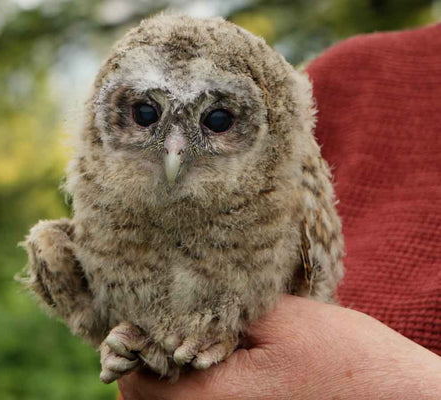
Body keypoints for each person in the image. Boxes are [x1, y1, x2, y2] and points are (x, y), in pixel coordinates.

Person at [118, 22, 441, 399]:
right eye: (145, 114)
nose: (173, 148)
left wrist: (405, 388)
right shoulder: (347, 77)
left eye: (217, 121)